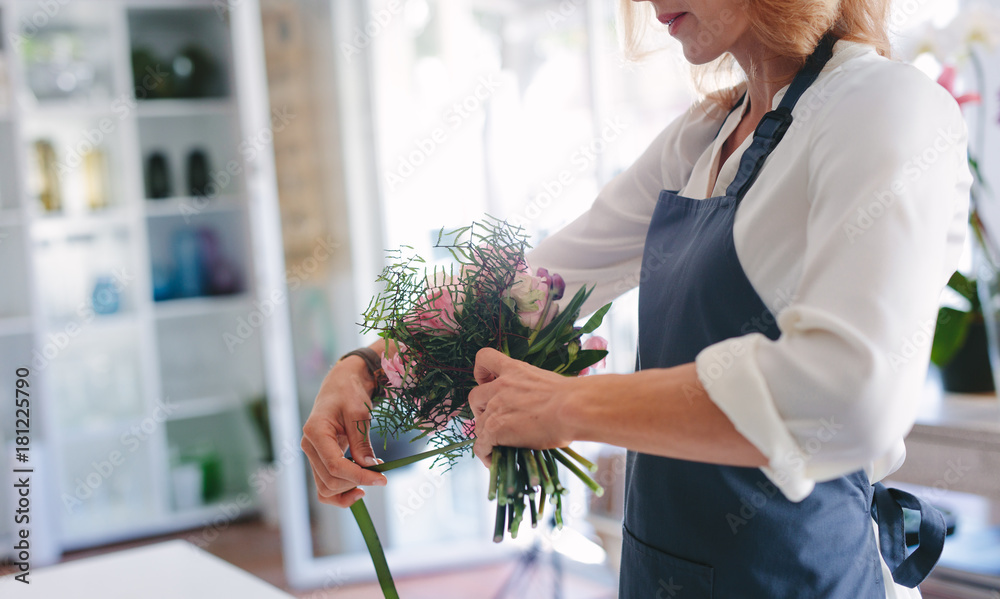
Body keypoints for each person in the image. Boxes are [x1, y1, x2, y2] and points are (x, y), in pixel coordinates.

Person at [301, 0, 972, 596]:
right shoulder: (707, 133)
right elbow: (536, 287)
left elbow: (849, 396)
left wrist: (565, 405)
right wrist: (368, 368)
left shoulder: (887, 108)